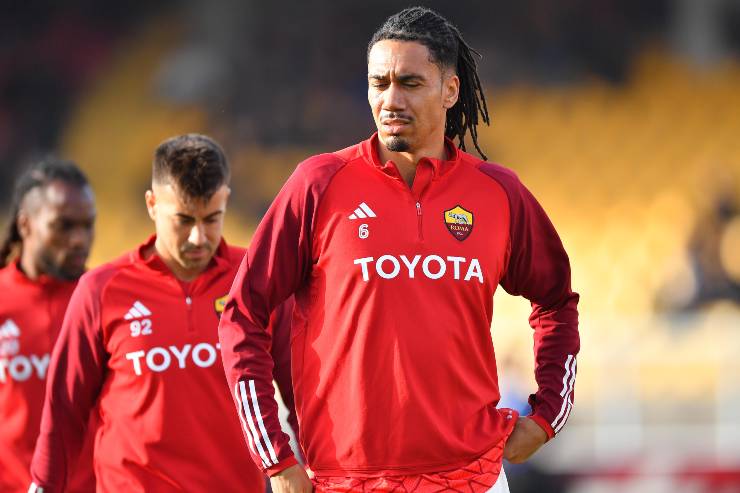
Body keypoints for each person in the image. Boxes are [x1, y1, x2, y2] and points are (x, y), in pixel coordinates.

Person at [219, 7, 580, 493]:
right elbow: (242, 314)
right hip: (346, 481)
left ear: (450, 90)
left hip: (473, 478)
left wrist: (547, 414)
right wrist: (276, 460)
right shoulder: (318, 184)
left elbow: (556, 301)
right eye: (379, 83)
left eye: (410, 83)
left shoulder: (498, 193)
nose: (390, 100)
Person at [29, 134, 296, 492]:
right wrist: (44, 485)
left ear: (226, 200)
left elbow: (300, 389)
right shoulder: (101, 290)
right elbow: (65, 410)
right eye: (184, 220)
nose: (199, 237)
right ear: (152, 204)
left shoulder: (256, 278)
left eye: (211, 219)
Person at [0, 159, 96, 493]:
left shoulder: (107, 300)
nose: (79, 240)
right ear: (25, 224)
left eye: (87, 225)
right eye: (63, 226)